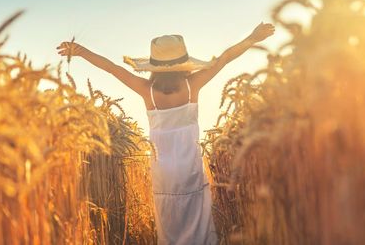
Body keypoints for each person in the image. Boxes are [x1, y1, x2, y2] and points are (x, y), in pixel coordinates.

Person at [57, 22, 275, 245]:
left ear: (155, 67)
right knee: (198, 222)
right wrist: (252, 38)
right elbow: (225, 58)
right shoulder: (193, 85)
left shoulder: (147, 91)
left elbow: (113, 68)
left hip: (163, 173)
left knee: (169, 225)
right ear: (183, 65)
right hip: (189, 168)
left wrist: (81, 52)